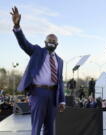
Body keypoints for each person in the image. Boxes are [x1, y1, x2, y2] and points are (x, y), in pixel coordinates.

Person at [10, 6, 65, 135]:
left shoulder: (60, 61)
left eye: (54, 41)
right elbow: (23, 43)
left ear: (57, 44)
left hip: (53, 95)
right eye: (49, 40)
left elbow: (60, 81)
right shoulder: (37, 51)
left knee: (50, 127)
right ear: (45, 42)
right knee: (37, 125)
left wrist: (62, 100)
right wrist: (17, 26)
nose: (51, 42)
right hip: (38, 92)